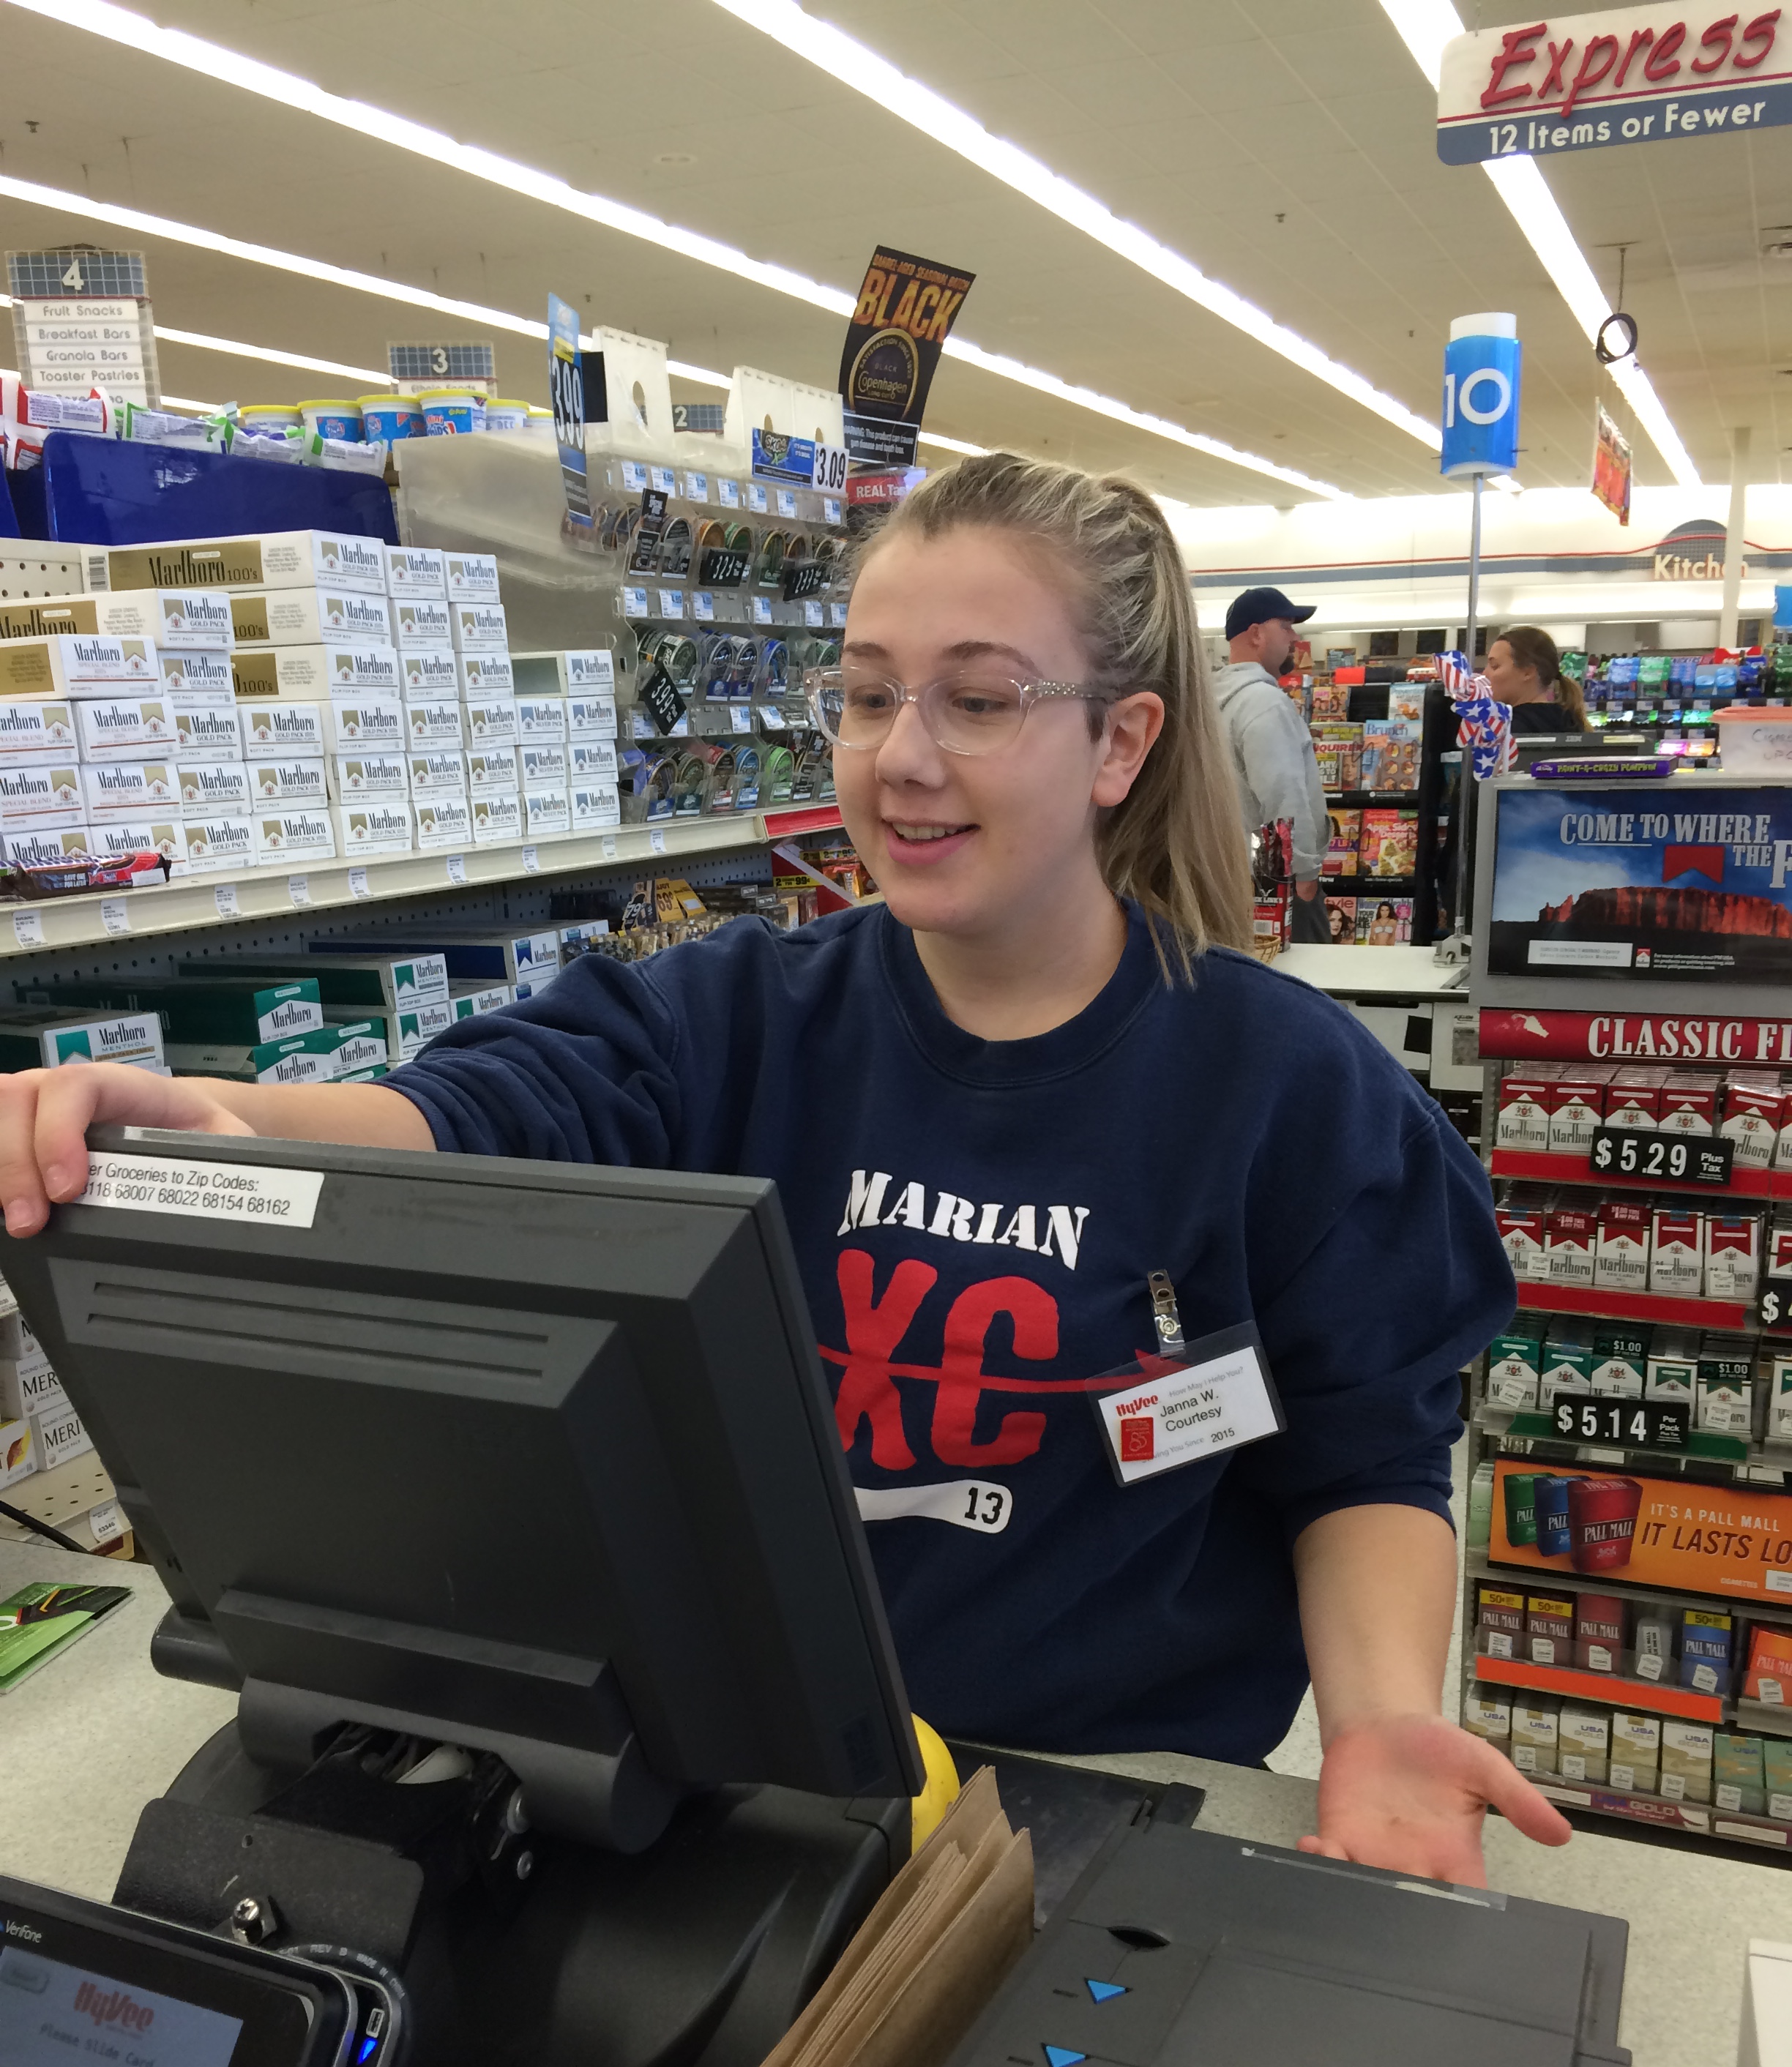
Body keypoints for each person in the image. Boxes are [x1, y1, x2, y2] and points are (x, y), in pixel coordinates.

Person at [0, 452, 1567, 1890]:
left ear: (1121, 741)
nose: (902, 759)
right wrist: (202, 1115)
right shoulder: (733, 1014)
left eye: (978, 699)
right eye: (869, 696)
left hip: (1095, 1822)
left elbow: (1363, 1462)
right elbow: (475, 1117)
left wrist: (1375, 1720)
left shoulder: (1291, 1092)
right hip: (738, 1799)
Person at [1214, 587, 1330, 943]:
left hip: (1226, 877)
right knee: (1308, 984)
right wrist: (1304, 875)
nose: (1295, 637)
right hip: (1276, 886)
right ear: (1256, 634)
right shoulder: (1265, 703)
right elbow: (1283, 795)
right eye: (1286, 626)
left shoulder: (1208, 702)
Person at [1483, 624, 1590, 733]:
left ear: (1528, 672)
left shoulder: (1507, 730)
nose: (1485, 674)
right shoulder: (1572, 722)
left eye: (1494, 666)